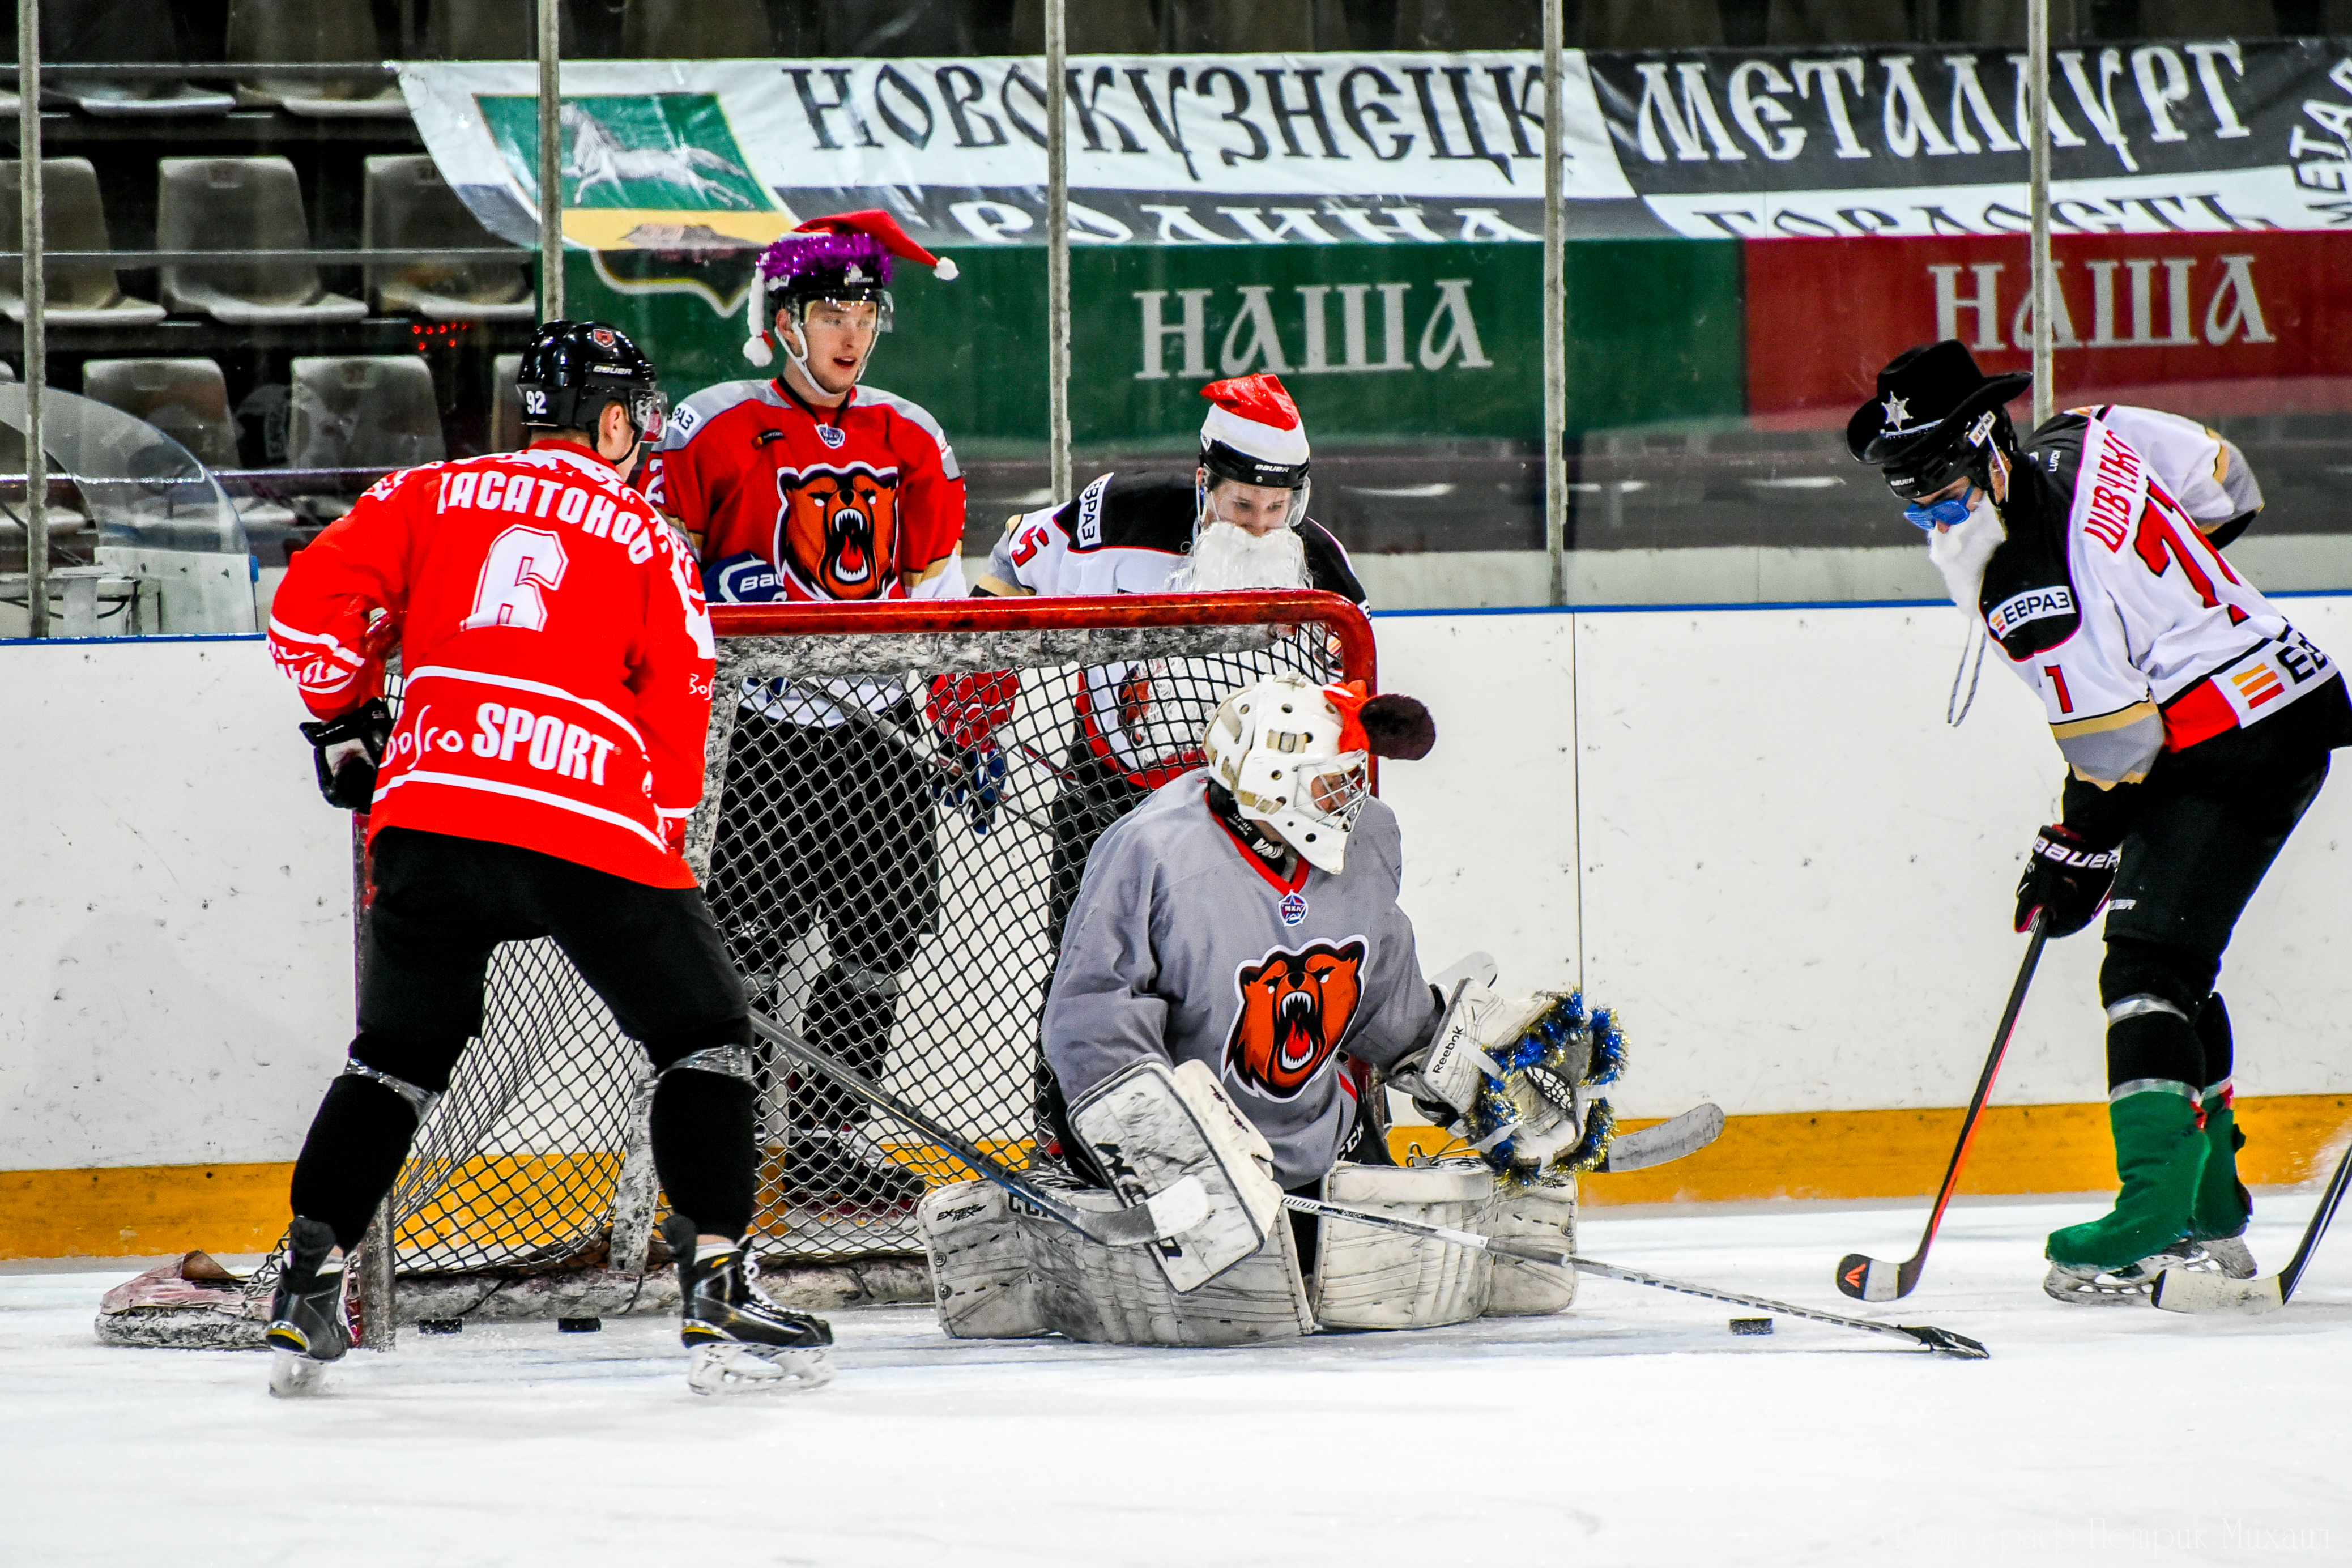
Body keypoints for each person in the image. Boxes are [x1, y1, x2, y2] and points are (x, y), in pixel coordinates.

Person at [259, 322, 831, 1396]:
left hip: (429, 814)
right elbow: (681, 703)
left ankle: (304, 1281)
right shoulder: (647, 535)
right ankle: (715, 1284)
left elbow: (307, 611)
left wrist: (344, 718)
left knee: (393, 1054)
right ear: (614, 421)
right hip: (584, 816)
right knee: (704, 1030)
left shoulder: (426, 492)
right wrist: (658, 839)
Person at [1847, 339, 2351, 1302]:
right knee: (2175, 959)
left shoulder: (2026, 590)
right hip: (2277, 698)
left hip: (2224, 740)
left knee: (2145, 966)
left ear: (1991, 448)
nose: (1931, 517)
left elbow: (2115, 750)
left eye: (1943, 492)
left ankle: (2152, 1213)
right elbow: (2225, 483)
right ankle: (2208, 1204)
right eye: (1910, 499)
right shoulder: (2090, 432)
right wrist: (2170, 600)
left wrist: (2070, 848)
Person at [642, 211, 969, 1215]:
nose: (853, 332)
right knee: (743, 938)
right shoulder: (710, 424)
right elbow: (654, 568)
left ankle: (826, 1140)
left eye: (868, 311)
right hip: (756, 731)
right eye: (832, 309)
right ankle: (723, 1142)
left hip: (876, 730)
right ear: (782, 319)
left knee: (887, 928)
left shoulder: (911, 433)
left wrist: (949, 710)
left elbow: (937, 586)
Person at [975, 372, 1366, 947]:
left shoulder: (1320, 570)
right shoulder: (1119, 515)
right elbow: (1015, 557)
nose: (1261, 528)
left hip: (1247, 811)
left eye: (1277, 507)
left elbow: (1354, 683)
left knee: (1224, 983)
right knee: (1082, 980)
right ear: (1206, 482)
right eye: (1243, 505)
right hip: (1105, 791)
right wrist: (976, 691)